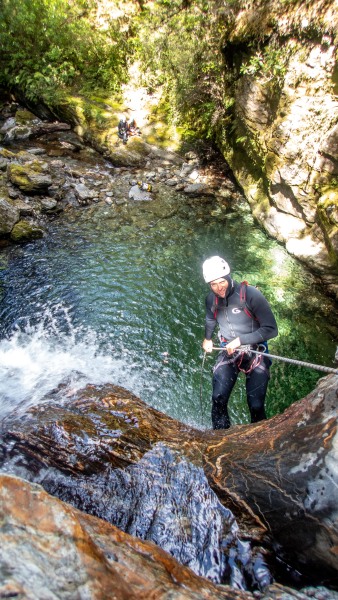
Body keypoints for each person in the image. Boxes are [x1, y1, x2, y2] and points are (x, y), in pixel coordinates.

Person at [202, 255, 278, 429]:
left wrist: (240, 340)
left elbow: (271, 329)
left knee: (256, 406)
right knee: (218, 398)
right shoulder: (211, 300)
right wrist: (207, 338)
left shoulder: (250, 295)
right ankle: (221, 438)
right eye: (213, 284)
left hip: (255, 352)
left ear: (228, 277)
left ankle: (259, 440)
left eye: (221, 282)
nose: (218, 288)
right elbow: (210, 319)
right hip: (229, 350)